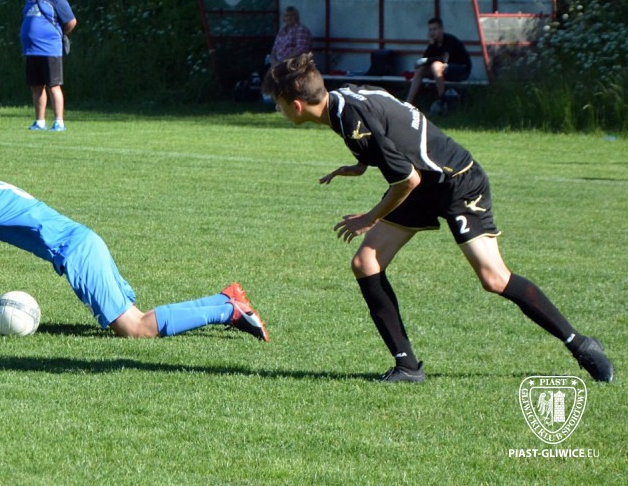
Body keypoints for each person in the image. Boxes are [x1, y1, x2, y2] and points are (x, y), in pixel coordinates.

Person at [261, 53, 613, 383]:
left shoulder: (351, 117)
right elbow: (387, 122)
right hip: (423, 182)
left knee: (493, 278)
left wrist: (368, 218)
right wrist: (361, 164)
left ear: (296, 105)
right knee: (365, 263)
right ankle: (407, 366)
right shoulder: (342, 100)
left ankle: (581, 343)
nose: (278, 109)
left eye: (278, 103)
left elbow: (406, 179)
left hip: (456, 181)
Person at [0, 140, 269, 342]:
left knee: (136, 329)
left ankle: (228, 309)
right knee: (135, 321)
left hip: (77, 252)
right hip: (83, 243)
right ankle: (226, 300)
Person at [20, 0, 77, 132]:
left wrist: (56, 36)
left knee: (54, 85)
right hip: (32, 50)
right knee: (36, 86)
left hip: (50, 50)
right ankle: (40, 121)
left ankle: (59, 121)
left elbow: (71, 22)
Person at [405, 17, 471, 109]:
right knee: (420, 69)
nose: (432, 32)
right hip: (444, 70)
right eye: (430, 30)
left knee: (435, 65)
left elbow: (444, 59)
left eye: (435, 29)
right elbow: (425, 59)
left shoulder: (450, 40)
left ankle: (442, 100)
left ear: (441, 29)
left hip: (461, 70)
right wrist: (431, 46)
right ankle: (408, 103)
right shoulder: (434, 43)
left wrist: (426, 60)